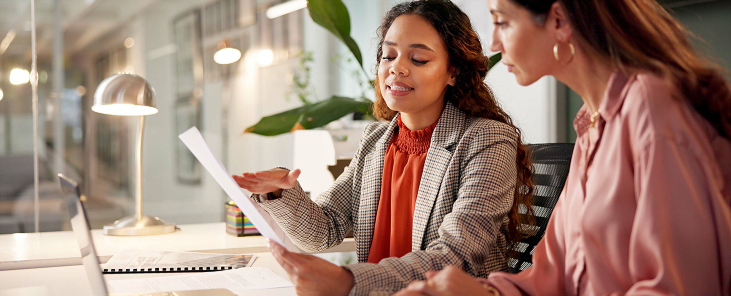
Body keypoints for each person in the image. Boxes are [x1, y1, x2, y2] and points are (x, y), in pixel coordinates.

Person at [397, 0, 731, 295]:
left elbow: (681, 286)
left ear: (558, 21)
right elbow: (551, 277)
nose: (495, 43)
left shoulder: (650, 106)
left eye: (501, 21)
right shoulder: (592, 127)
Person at [232, 0, 535, 294]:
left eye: (418, 59)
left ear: (453, 72)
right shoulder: (376, 141)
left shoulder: (487, 139)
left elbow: (454, 256)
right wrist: (279, 191)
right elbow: (323, 230)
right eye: (389, 56)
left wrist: (347, 280)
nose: (397, 68)